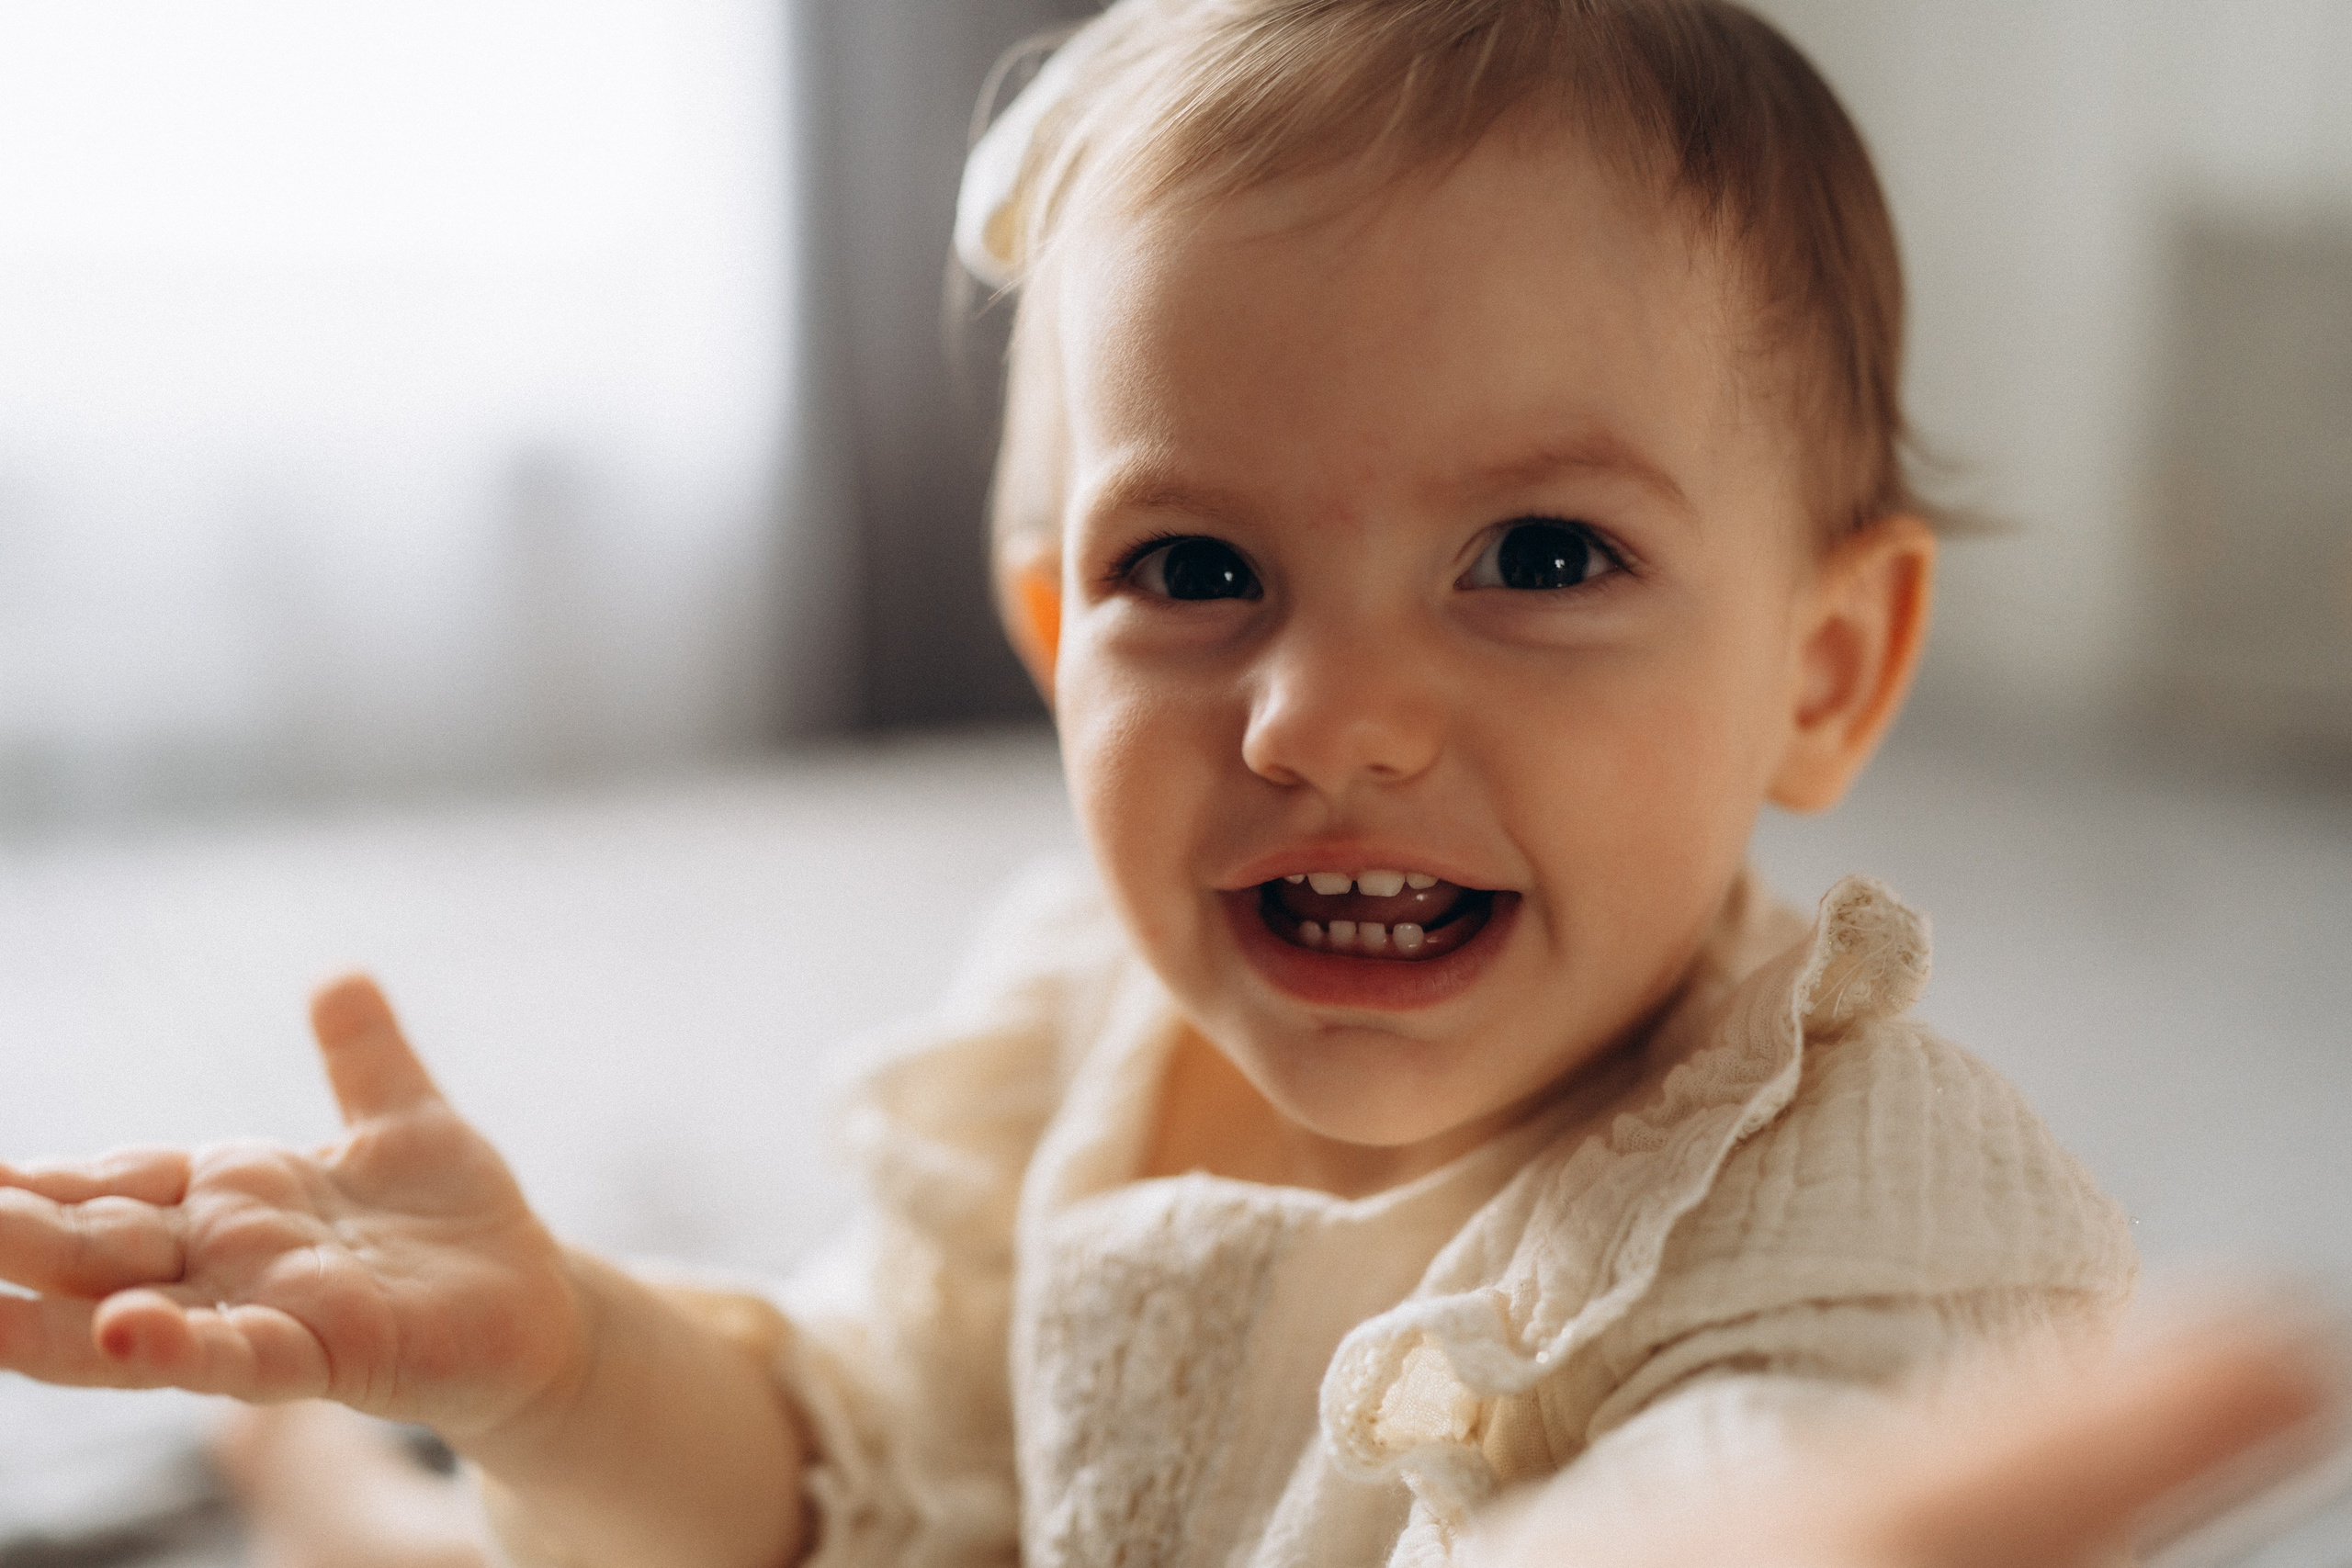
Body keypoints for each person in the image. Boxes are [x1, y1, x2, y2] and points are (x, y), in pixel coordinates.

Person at [0, 2, 2326, 1563]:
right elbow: (849, 1489)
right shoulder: (1073, 1042)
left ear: (1823, 667)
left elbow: (1748, 1487)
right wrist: (560, 1356)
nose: (1323, 717)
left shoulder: (1858, 1212)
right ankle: (341, 1458)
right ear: (1047, 638)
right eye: (1193, 564)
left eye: (1537, 554)